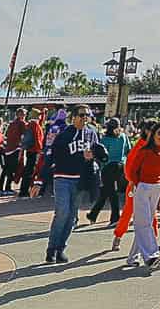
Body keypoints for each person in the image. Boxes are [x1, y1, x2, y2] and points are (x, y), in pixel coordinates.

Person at [44, 107, 98, 264]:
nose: (85, 118)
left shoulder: (91, 134)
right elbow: (51, 156)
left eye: (87, 115)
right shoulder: (64, 134)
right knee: (62, 212)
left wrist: (92, 157)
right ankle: (51, 250)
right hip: (62, 178)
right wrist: (40, 180)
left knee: (72, 216)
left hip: (80, 180)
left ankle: (60, 248)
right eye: (81, 115)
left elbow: (99, 152)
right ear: (73, 117)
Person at [120, 119, 160, 269]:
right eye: (159, 133)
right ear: (152, 135)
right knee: (143, 222)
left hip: (156, 188)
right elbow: (132, 171)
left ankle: (132, 257)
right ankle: (151, 255)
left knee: (146, 222)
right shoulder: (144, 150)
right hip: (143, 188)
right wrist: (139, 184)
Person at [87, 117, 130, 226]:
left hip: (108, 167)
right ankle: (93, 214)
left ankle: (115, 218)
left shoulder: (105, 140)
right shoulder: (123, 137)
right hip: (121, 166)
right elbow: (128, 150)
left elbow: (100, 155)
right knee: (107, 192)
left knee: (111, 193)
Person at [17, 109, 45, 197]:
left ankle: (24, 190)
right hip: (34, 150)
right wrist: (40, 149)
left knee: (28, 170)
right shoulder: (35, 124)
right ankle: (25, 191)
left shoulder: (30, 124)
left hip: (30, 150)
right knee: (30, 171)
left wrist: (44, 113)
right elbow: (37, 137)